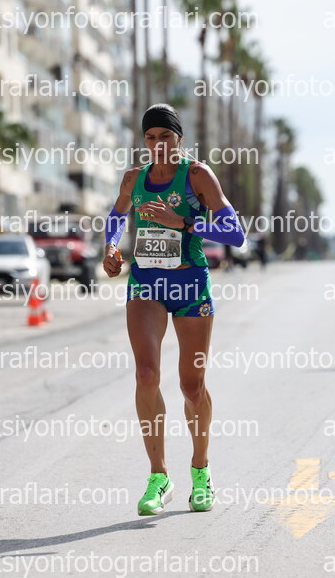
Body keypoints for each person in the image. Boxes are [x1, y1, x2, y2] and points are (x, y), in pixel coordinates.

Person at [103, 104, 244, 516]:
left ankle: (200, 470)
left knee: (191, 386)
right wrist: (110, 247)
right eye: (151, 137)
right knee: (146, 374)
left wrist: (183, 222)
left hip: (190, 285)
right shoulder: (134, 178)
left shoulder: (197, 175)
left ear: (179, 138)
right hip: (146, 284)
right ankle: (158, 476)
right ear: (144, 140)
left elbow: (235, 234)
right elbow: (116, 215)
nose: (158, 144)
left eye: (166, 136)